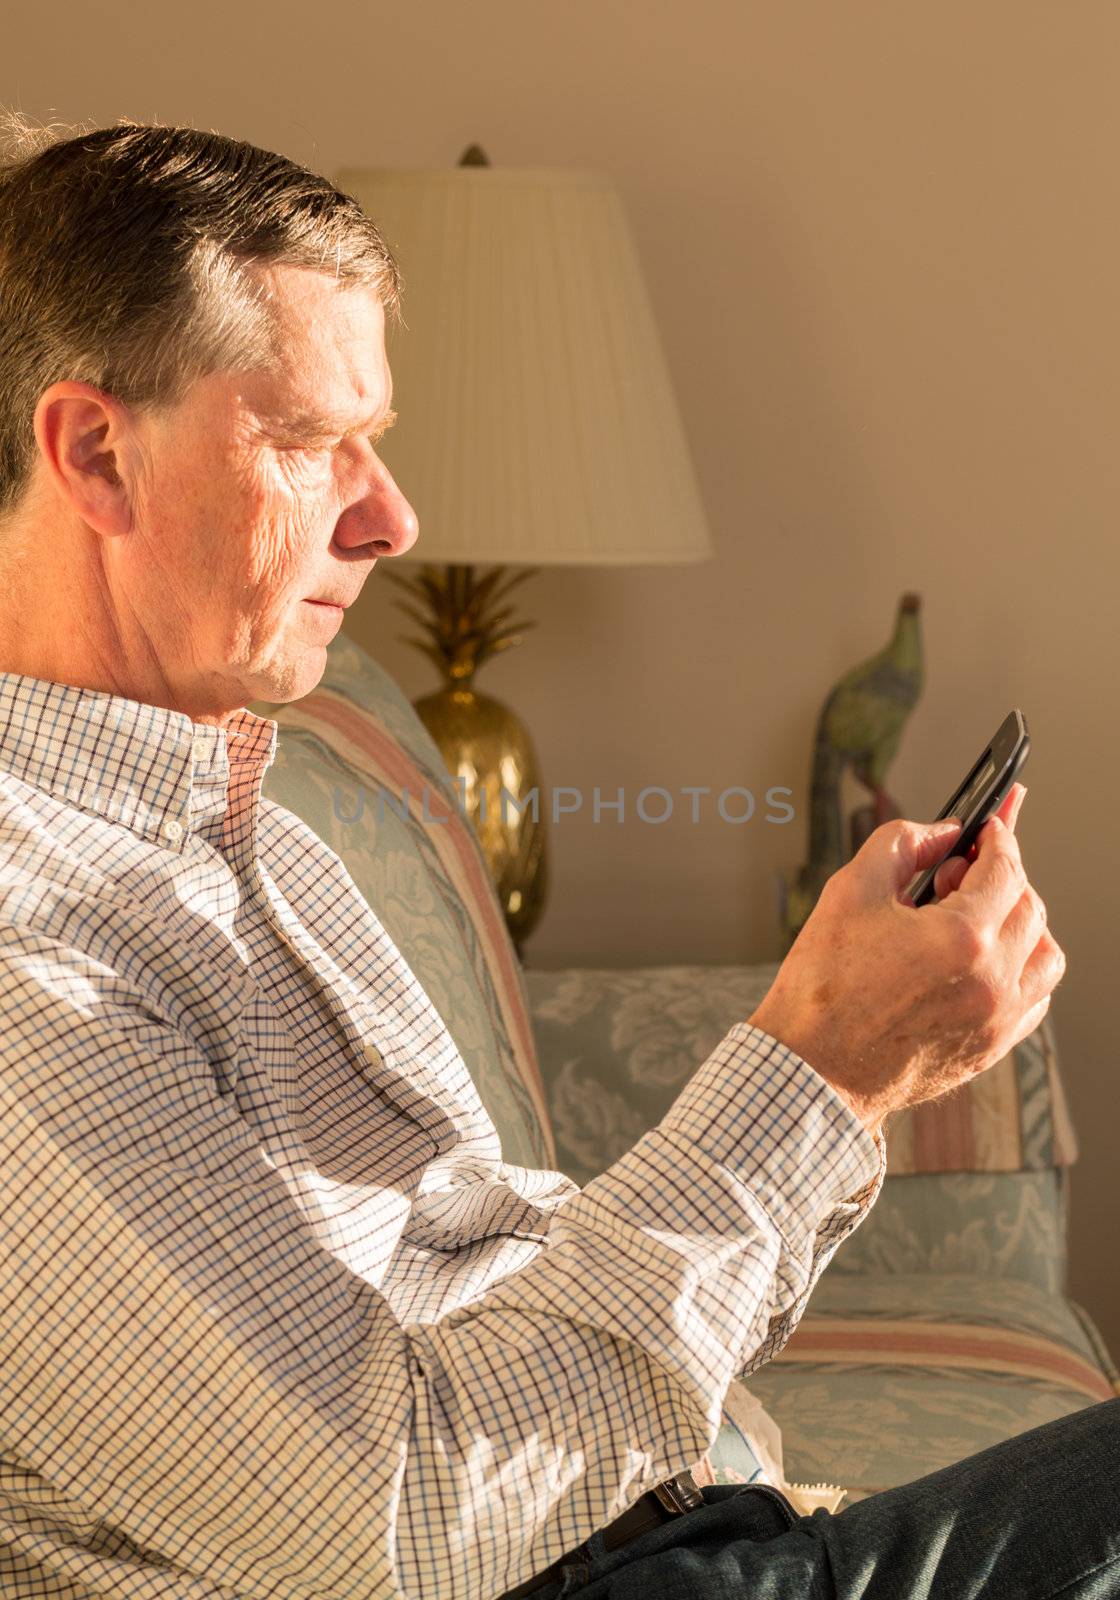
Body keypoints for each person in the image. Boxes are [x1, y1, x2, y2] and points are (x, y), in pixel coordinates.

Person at [0, 112, 1108, 1600]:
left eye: (374, 443)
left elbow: (492, 1271)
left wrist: (849, 1064)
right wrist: (823, 1071)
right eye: (316, 444)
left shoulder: (247, 828)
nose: (392, 518)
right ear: (93, 453)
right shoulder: (31, 957)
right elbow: (396, 1520)